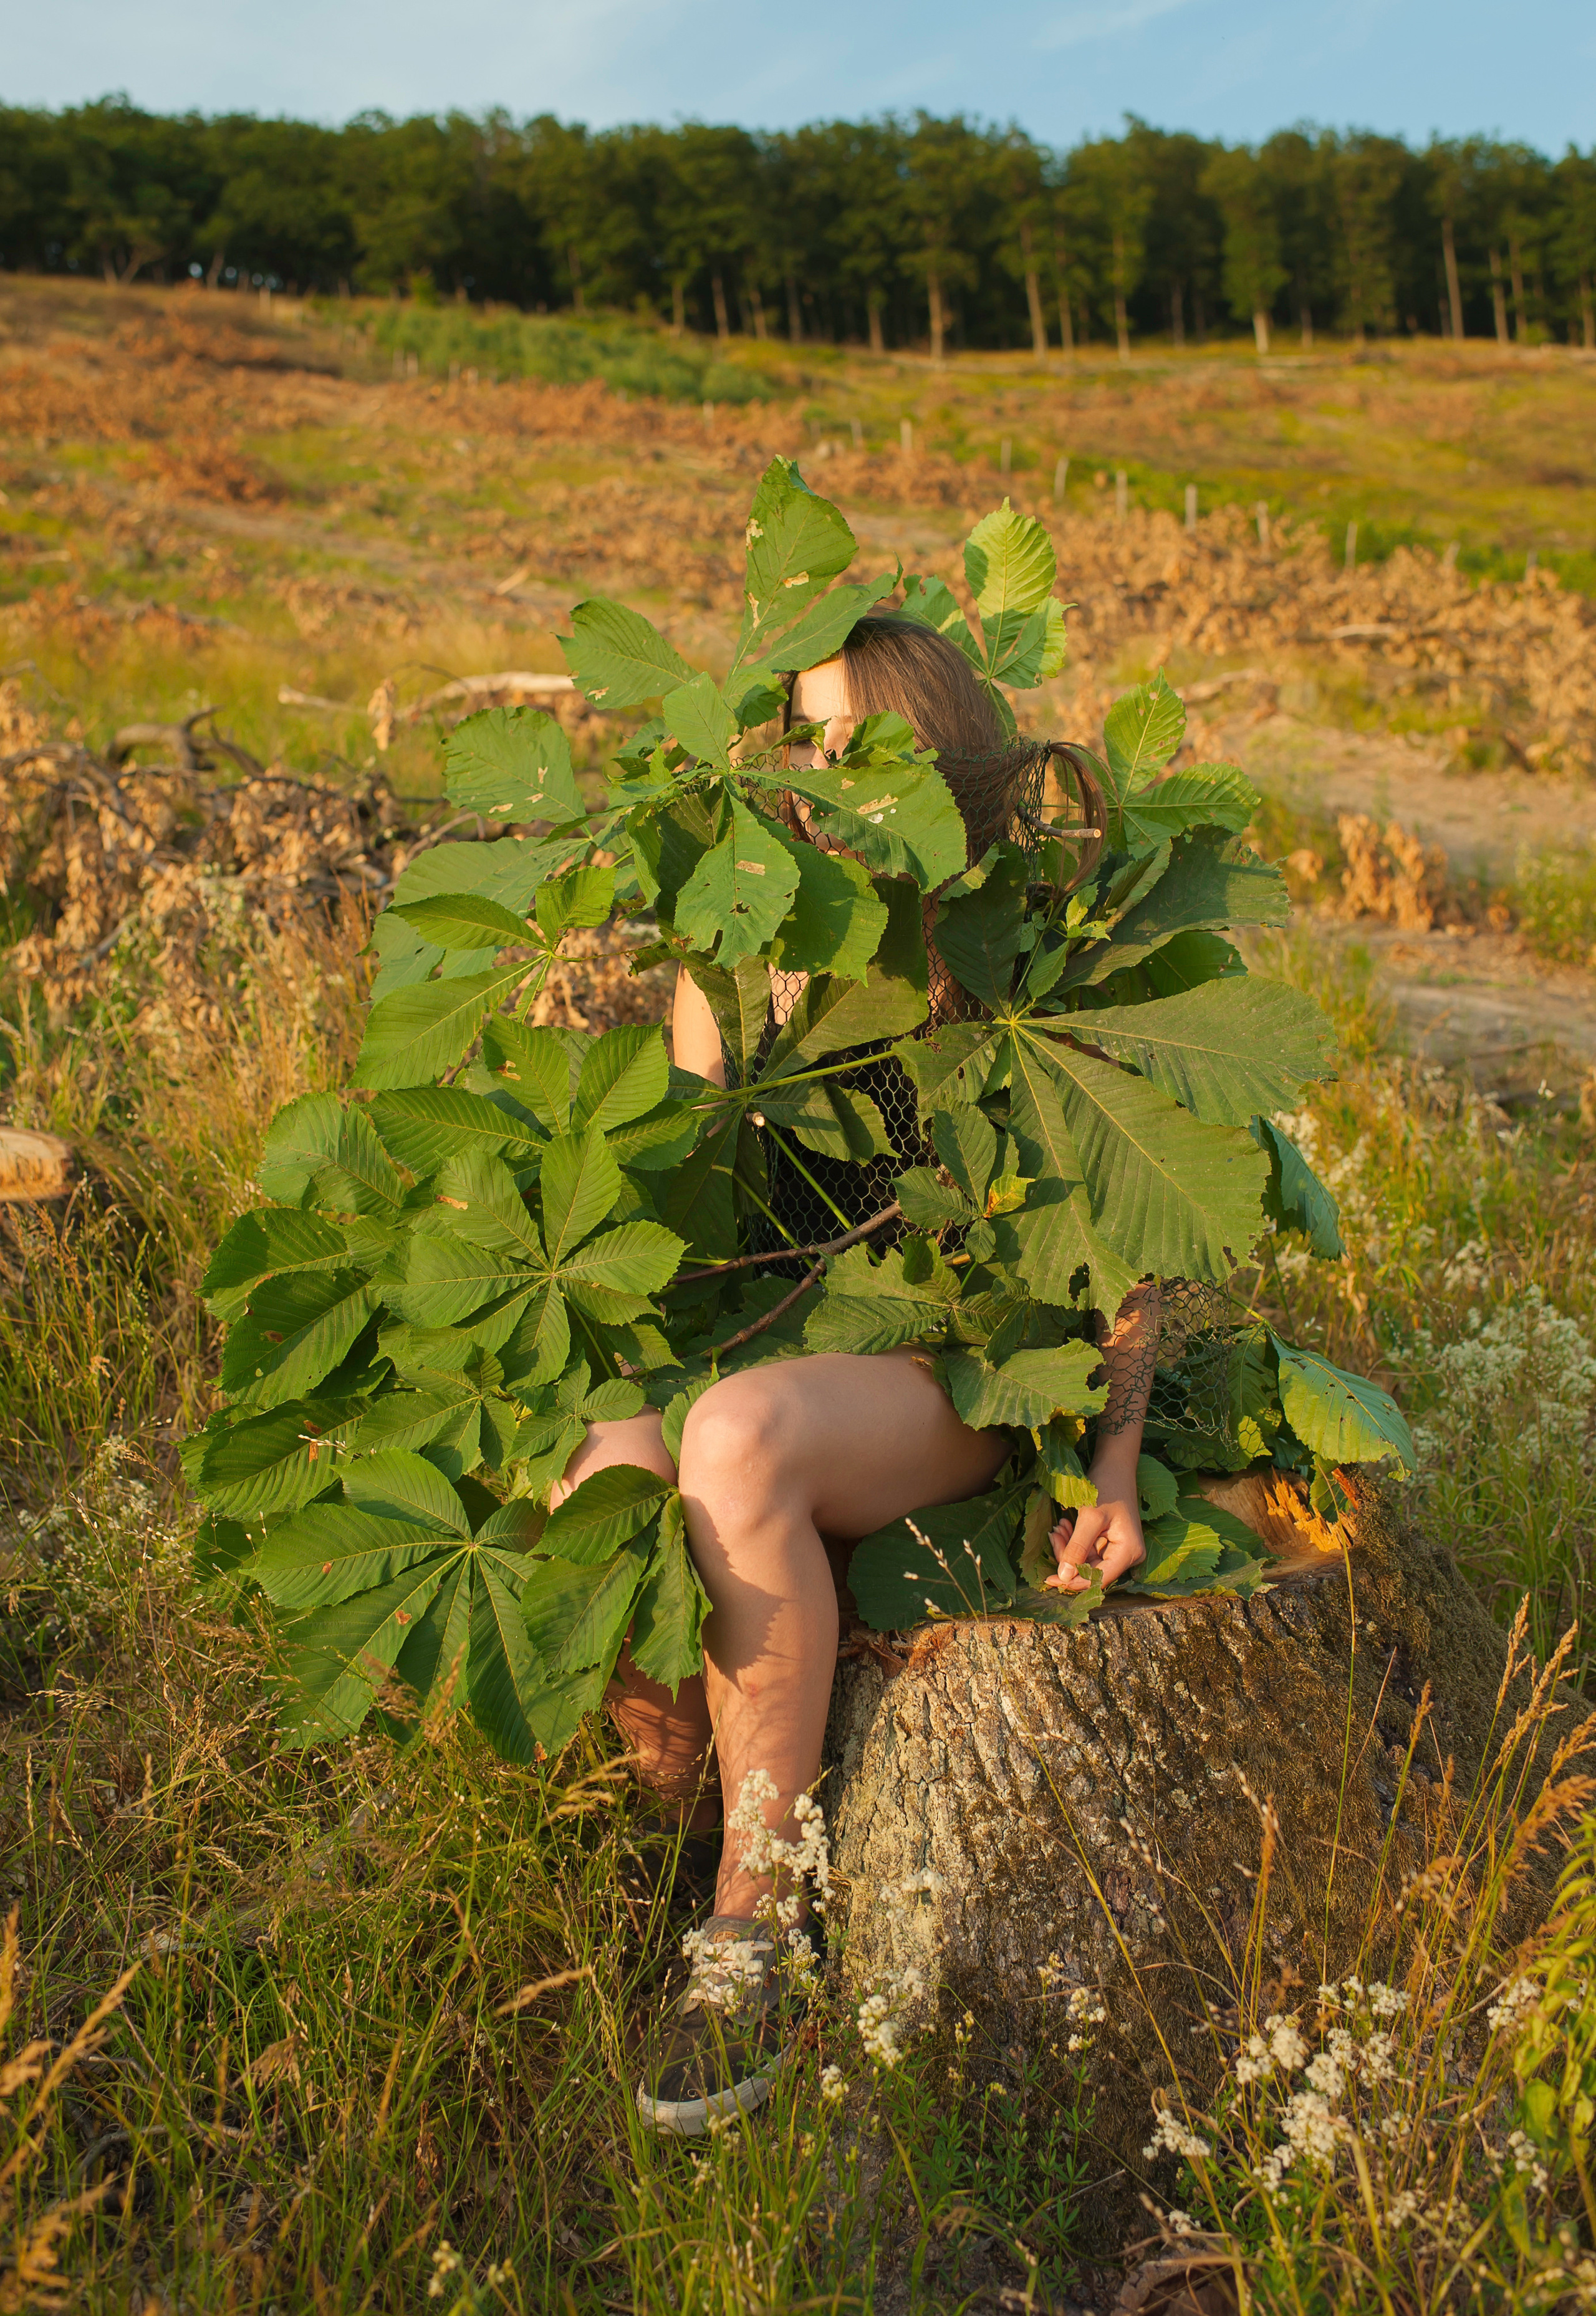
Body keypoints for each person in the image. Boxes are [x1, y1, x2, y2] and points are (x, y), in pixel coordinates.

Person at [553, 615, 1158, 2133]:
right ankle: (673, 1822)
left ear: (926, 749)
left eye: (853, 741)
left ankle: (755, 1932)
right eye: (801, 744)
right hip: (765, 1324)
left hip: (948, 1362)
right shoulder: (745, 932)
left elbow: (1130, 1244)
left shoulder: (1008, 944)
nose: (822, 776)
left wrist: (1110, 1471)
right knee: (608, 1474)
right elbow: (677, 1205)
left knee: (737, 1439)